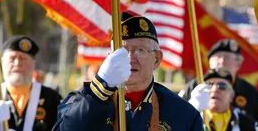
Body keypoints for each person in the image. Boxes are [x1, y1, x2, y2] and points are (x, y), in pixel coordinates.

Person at [53, 12, 203, 131]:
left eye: (140, 50)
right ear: (110, 59)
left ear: (156, 59)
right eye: (122, 50)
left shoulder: (183, 114)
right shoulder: (82, 100)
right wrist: (98, 91)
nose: (130, 58)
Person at [0, 35, 62, 131]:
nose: (17, 63)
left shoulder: (52, 99)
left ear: (33, 64)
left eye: (23, 59)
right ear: (2, 62)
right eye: (12, 58)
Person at [180, 39, 258, 131]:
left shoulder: (250, 93)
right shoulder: (194, 87)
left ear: (238, 64)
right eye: (218, 57)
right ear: (209, 61)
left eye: (228, 58)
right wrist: (192, 109)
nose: (222, 61)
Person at [188, 67, 258, 131]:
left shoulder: (246, 124)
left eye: (222, 85)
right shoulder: (193, 119)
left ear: (232, 96)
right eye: (209, 85)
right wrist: (190, 112)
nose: (214, 89)